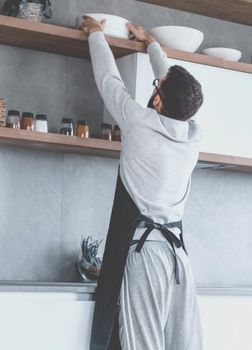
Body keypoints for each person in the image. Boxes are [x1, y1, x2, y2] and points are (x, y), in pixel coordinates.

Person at [80, 15, 204, 350]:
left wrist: (96, 35)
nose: (154, 89)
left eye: (157, 88)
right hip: (178, 256)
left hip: (146, 255)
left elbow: (109, 81)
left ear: (159, 100)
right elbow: (174, 88)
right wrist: (151, 43)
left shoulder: (140, 125)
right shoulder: (193, 136)